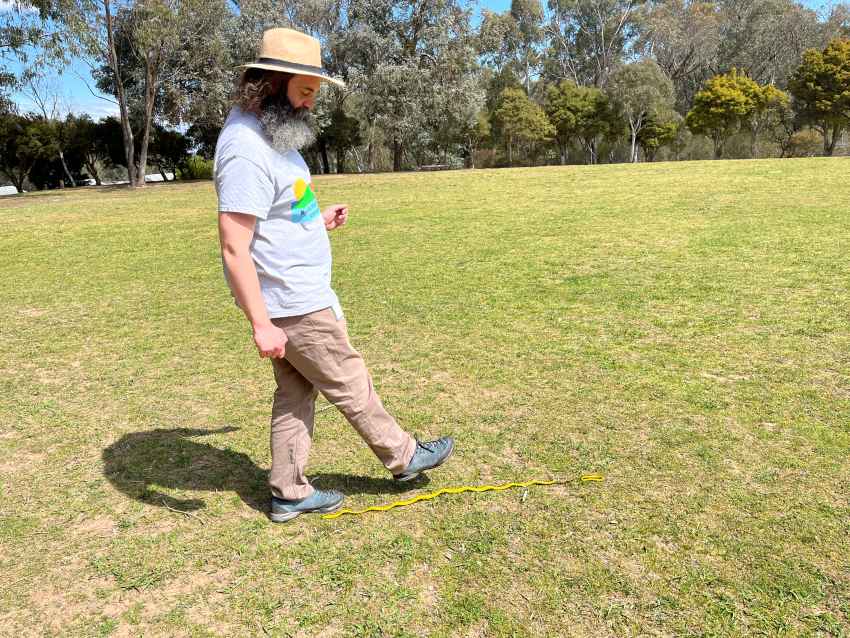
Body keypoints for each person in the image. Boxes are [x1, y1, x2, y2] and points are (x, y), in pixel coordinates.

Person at [214, 28, 454, 523]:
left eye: (315, 92)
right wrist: (262, 323)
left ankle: (288, 491)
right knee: (350, 379)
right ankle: (404, 456)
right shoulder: (244, 146)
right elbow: (234, 245)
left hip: (297, 293)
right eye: (305, 90)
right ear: (272, 83)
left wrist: (317, 219)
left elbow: (279, 211)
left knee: (296, 394)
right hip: (292, 303)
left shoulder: (274, 134)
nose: (310, 102)